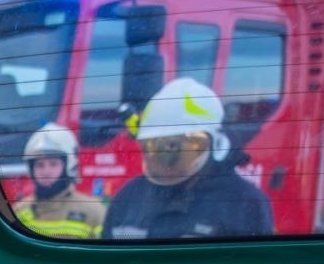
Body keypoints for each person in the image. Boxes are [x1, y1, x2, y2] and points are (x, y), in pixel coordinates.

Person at [104, 78, 274, 241]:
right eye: (152, 147)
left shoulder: (243, 203)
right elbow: (110, 261)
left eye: (173, 147)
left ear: (215, 144)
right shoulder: (129, 198)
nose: (164, 161)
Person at [13, 123, 105, 240]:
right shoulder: (20, 211)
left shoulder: (93, 212)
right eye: (40, 165)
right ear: (31, 169)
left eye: (53, 164)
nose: (46, 172)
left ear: (69, 165)